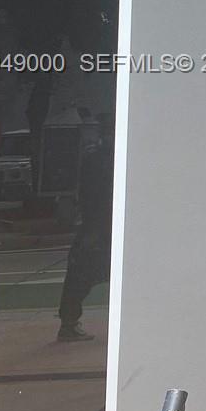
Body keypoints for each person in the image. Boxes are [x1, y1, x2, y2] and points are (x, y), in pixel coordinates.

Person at [57, 113, 113, 343]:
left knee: (83, 275)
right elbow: (91, 198)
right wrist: (91, 228)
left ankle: (69, 322)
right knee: (82, 276)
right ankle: (68, 323)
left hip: (103, 226)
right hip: (99, 227)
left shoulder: (100, 158)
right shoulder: (98, 160)